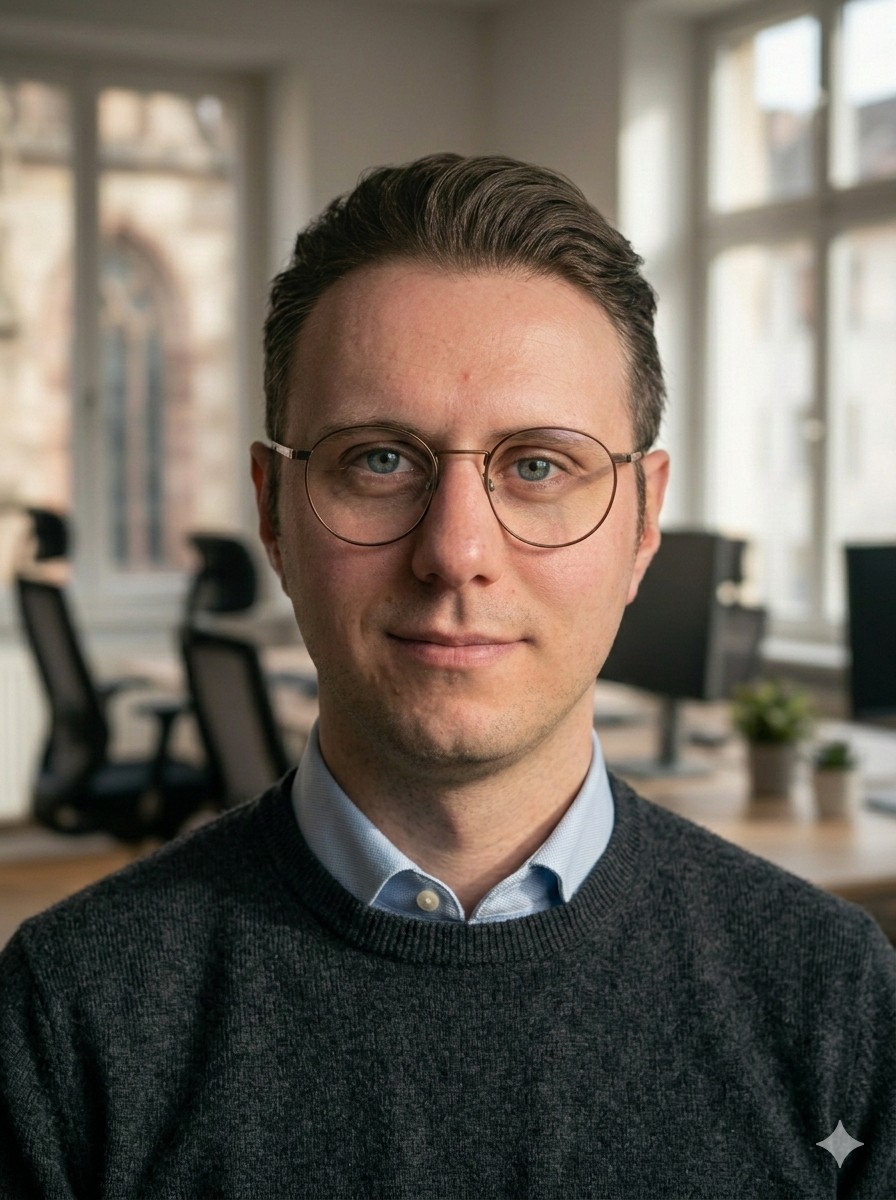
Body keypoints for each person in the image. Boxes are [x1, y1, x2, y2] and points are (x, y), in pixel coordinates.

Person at [0, 153, 893, 1200]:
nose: (454, 550)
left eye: (537, 464)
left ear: (643, 521)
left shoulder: (834, 996)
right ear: (272, 509)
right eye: (378, 459)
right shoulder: (66, 1020)